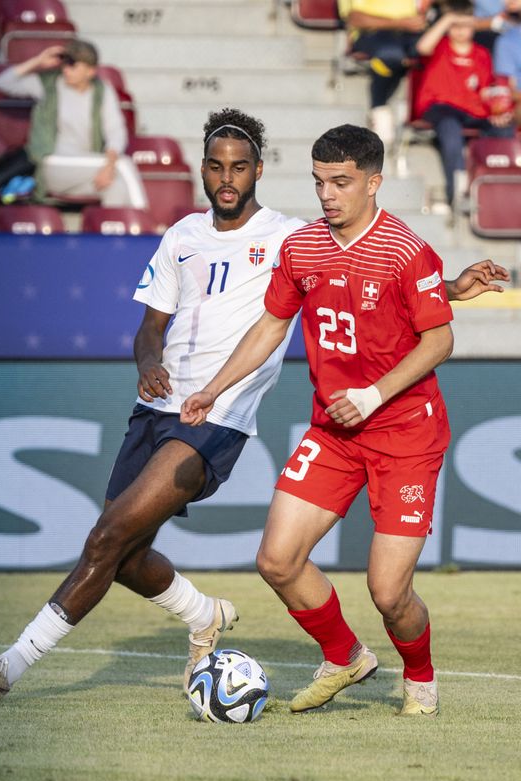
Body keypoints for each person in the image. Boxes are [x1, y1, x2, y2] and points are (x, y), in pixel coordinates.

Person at [0, 110, 302, 702]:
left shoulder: (288, 236)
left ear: (258, 171)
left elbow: (364, 268)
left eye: (239, 168)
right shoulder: (182, 237)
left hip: (215, 417)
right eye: (216, 167)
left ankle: (7, 667)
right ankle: (202, 615)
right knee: (125, 550)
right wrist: (149, 365)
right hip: (159, 406)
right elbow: (149, 328)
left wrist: (441, 287)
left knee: (106, 538)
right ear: (201, 169)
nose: (227, 178)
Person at [180, 124, 508, 716]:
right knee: (277, 560)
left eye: (341, 182)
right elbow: (270, 327)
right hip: (334, 432)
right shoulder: (301, 247)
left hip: (407, 434)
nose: (327, 194)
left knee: (388, 590)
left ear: (374, 182)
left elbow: (438, 341)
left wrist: (374, 394)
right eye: (318, 181)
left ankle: (421, 678)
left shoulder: (406, 249)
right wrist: (212, 389)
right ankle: (345, 656)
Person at [0, 41, 147, 207]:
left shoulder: (102, 90)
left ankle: (115, 231)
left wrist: (108, 167)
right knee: (123, 164)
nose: (66, 69)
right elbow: (2, 83)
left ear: (90, 70)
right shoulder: (48, 84)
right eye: (65, 64)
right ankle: (149, 227)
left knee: (115, 188)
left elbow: (116, 131)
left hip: (84, 169)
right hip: (52, 163)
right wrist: (38, 61)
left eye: (73, 65)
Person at [414, 1, 515, 208]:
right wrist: (449, 18)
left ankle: (497, 189)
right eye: (455, 26)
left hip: (472, 111)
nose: (460, 31)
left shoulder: (482, 54)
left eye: (465, 25)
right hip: (440, 107)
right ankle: (458, 193)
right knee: (450, 128)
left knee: (504, 129)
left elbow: (486, 90)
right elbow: (422, 46)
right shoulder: (439, 47)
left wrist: (497, 112)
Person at [342, 0, 432, 149]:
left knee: (437, 50)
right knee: (390, 55)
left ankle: (433, 110)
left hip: (410, 33)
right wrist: (400, 22)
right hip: (372, 33)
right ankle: (379, 106)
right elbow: (355, 18)